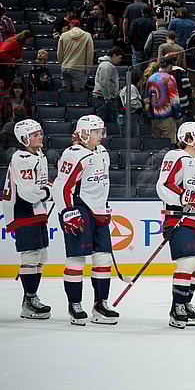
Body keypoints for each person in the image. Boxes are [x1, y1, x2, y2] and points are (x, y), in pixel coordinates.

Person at [52, 115, 118, 326]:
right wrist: (68, 212)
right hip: (78, 209)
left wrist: (104, 205)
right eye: (97, 132)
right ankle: (75, 305)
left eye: (101, 131)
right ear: (85, 133)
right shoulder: (74, 155)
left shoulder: (102, 153)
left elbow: (102, 185)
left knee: (103, 259)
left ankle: (101, 304)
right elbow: (62, 187)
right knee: (77, 259)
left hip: (98, 211)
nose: (101, 135)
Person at [156, 122, 195, 329]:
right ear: (189, 138)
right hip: (179, 218)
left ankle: (186, 302)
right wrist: (184, 197)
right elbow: (163, 185)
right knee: (187, 262)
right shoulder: (176, 156)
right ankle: (177, 307)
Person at [1, 119, 51, 319]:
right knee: (31, 255)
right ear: (24, 139)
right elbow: (28, 193)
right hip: (23, 211)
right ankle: (29, 300)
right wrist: (48, 192)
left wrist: (45, 189)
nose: (40, 137)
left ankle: (30, 298)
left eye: (40, 133)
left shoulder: (38, 155)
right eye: (35, 135)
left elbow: (39, 185)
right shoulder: (21, 158)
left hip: (37, 210)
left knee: (41, 256)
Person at [143, 56, 180, 142]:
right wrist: (177, 114)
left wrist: (149, 113)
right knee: (168, 144)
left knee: (157, 144)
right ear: (170, 66)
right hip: (167, 117)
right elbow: (174, 99)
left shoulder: (151, 78)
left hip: (154, 117)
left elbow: (147, 99)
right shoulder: (170, 78)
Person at [57, 21, 94, 92]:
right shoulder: (87, 36)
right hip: (78, 68)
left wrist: (61, 64)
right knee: (77, 94)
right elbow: (90, 54)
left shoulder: (64, 35)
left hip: (65, 67)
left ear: (70, 26)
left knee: (66, 92)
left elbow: (59, 53)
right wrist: (87, 68)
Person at [93, 47, 123, 123]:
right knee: (105, 121)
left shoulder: (108, 66)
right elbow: (104, 83)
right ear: (114, 55)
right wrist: (108, 98)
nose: (120, 60)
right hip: (103, 99)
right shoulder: (106, 66)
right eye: (119, 58)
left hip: (105, 98)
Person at [129, 6, 155, 71]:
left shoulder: (136, 21)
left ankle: (138, 79)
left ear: (142, 12)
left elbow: (131, 34)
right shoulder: (154, 22)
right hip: (150, 49)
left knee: (138, 69)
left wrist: (132, 43)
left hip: (138, 47)